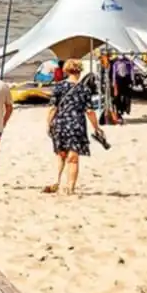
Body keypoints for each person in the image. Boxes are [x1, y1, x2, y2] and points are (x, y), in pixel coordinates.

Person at [45, 59, 104, 195]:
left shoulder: (59, 87)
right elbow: (89, 111)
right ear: (80, 71)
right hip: (77, 124)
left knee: (60, 154)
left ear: (65, 71)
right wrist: (96, 127)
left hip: (60, 123)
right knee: (73, 158)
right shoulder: (84, 89)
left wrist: (48, 123)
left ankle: (57, 180)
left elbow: (53, 108)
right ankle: (70, 187)